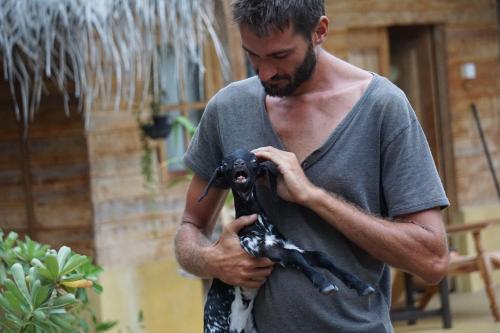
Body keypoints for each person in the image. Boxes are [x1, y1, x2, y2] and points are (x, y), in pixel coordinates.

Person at [174, 0, 450, 332]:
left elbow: (432, 259)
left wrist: (313, 196)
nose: (264, 73)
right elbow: (190, 226)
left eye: (279, 56)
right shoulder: (228, 108)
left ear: (319, 31)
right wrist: (211, 260)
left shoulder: (383, 108)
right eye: (253, 55)